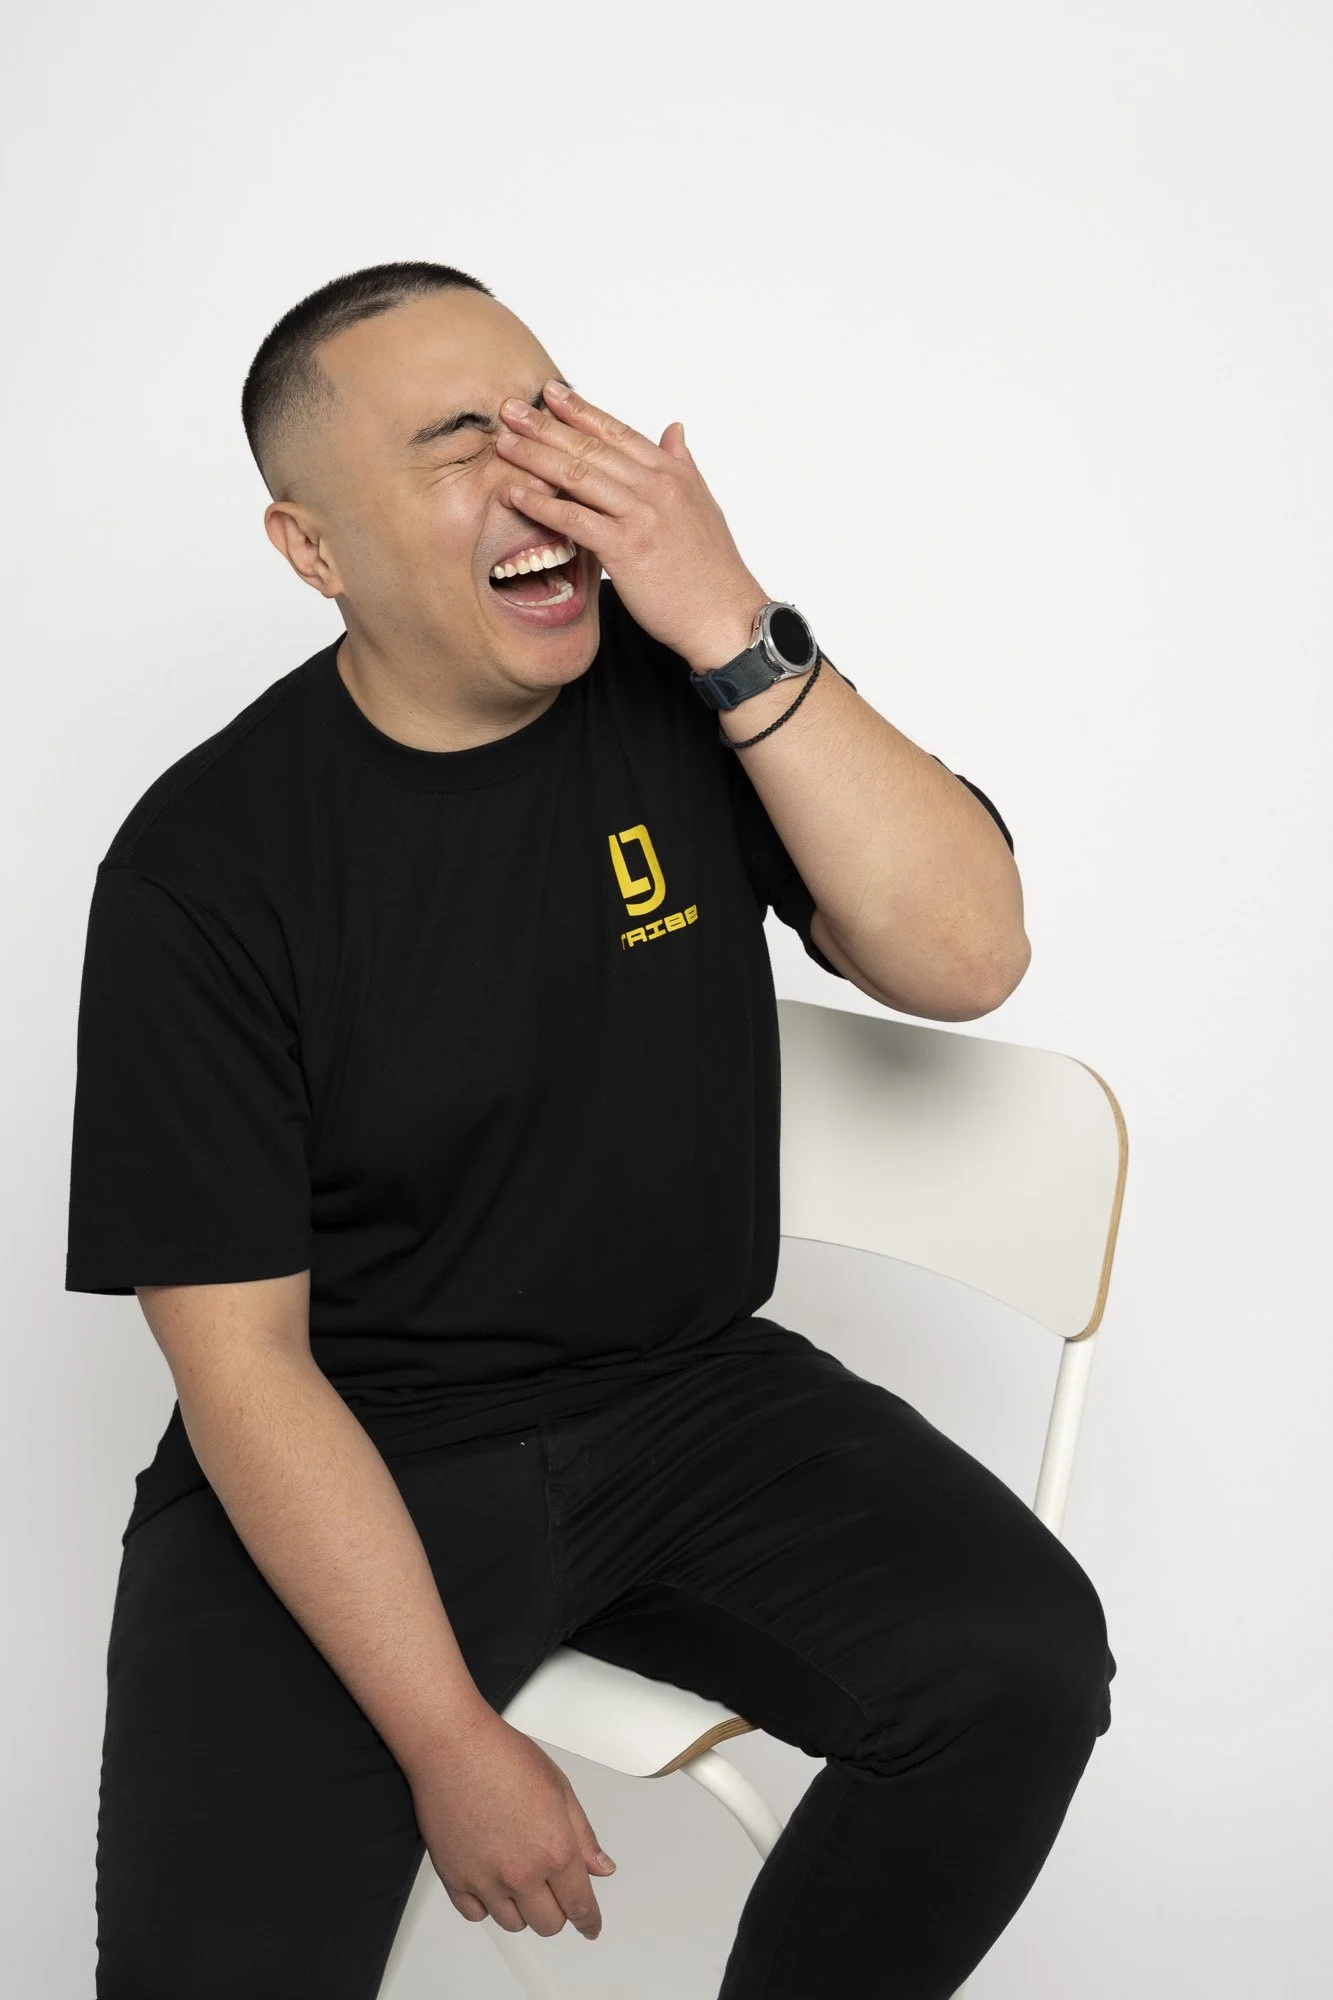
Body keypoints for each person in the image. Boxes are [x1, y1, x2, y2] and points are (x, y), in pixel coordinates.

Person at [65, 259, 1115, 2000]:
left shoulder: (690, 683)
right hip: (355, 1435)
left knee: (1016, 1665)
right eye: (459, 439)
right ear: (314, 551)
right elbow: (242, 1367)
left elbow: (969, 957)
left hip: (689, 1391)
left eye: (551, 412)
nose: (538, 470)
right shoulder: (202, 867)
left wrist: (729, 619)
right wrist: (445, 1736)